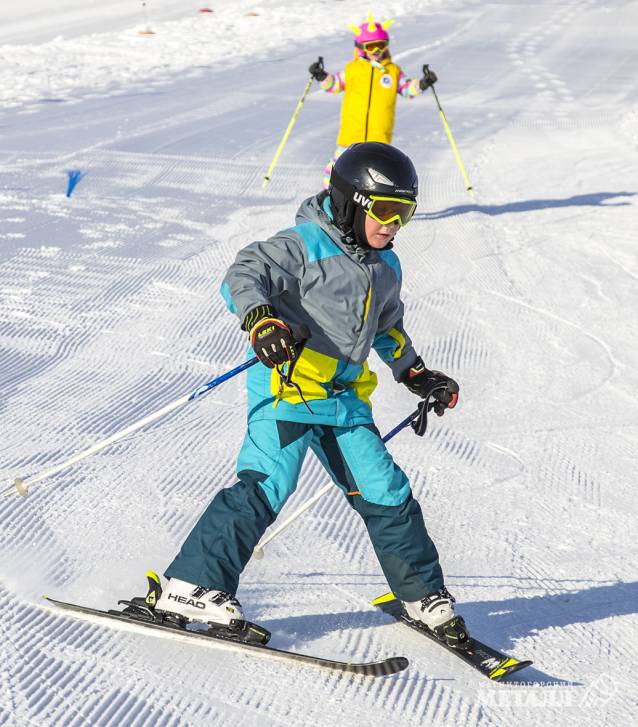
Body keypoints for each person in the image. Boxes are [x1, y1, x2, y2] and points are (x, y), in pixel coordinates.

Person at [153, 142, 463, 643]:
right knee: (267, 482)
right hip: (289, 388)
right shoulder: (303, 245)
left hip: (344, 400)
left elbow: (388, 327)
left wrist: (417, 374)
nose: (393, 225)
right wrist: (261, 320)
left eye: (404, 213)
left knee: (387, 491)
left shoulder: (387, 265)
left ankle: (421, 594)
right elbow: (243, 273)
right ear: (350, 202)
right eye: (384, 210)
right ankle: (191, 584)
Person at [308, 13, 438, 187]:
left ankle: (377, 204)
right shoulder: (352, 69)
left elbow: (407, 89)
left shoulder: (392, 71)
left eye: (380, 46)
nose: (376, 51)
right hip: (351, 132)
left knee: (378, 171)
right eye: (371, 47)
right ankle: (328, 194)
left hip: (379, 134)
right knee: (338, 165)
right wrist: (321, 75)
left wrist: (422, 83)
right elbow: (334, 85)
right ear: (362, 48)